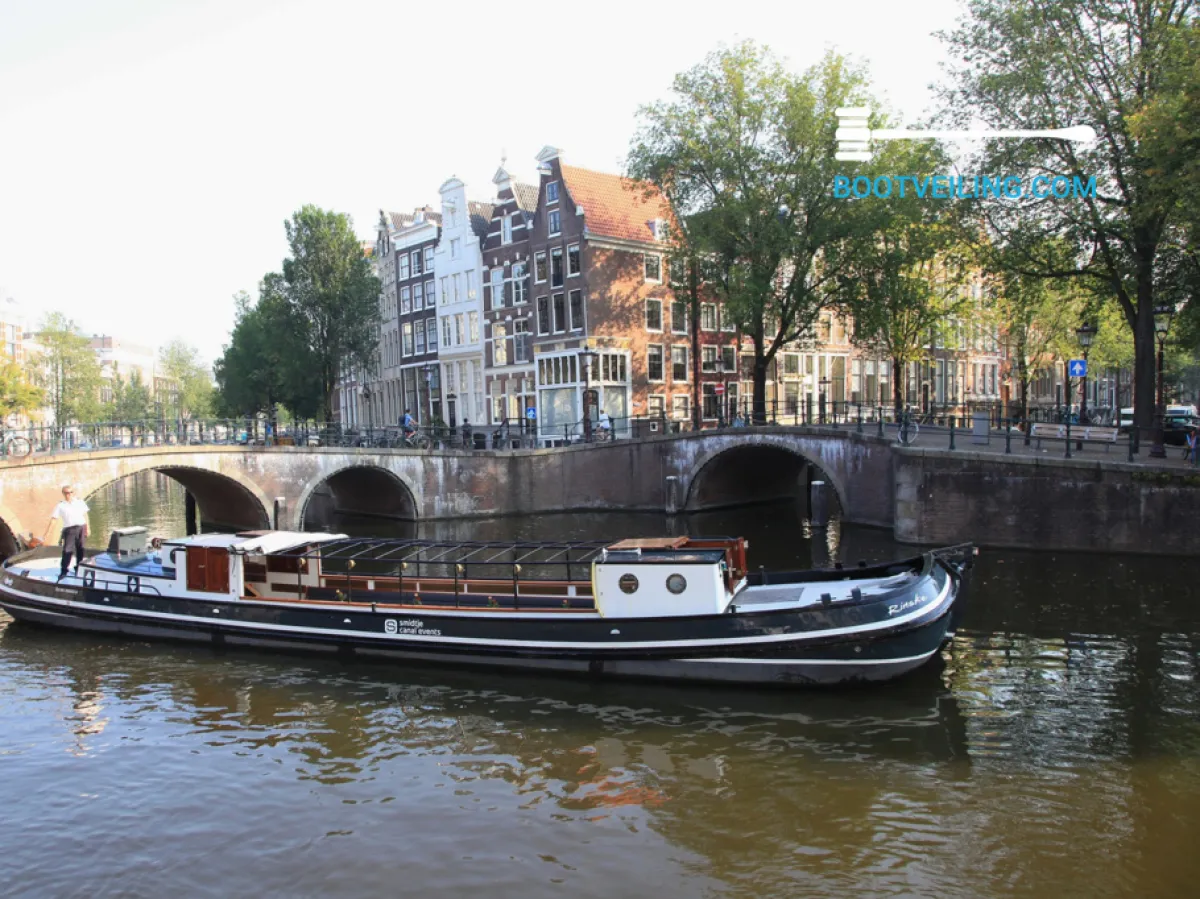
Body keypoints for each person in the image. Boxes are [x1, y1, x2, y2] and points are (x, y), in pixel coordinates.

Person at [43, 484, 89, 581]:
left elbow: (85, 515)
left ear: (73, 493)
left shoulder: (80, 502)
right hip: (69, 529)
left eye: (71, 492)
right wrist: (47, 533)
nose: (69, 494)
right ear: (63, 494)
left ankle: (78, 568)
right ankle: (64, 571)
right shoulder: (60, 505)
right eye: (67, 493)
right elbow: (54, 519)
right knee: (67, 550)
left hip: (81, 527)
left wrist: (88, 528)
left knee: (81, 549)